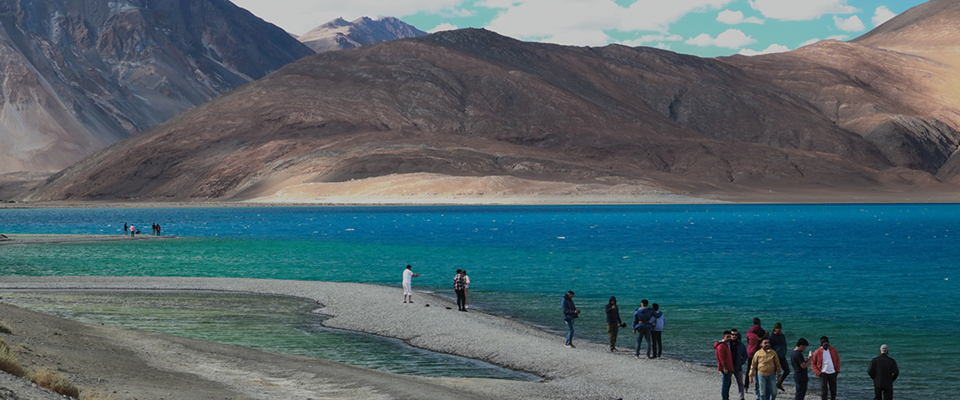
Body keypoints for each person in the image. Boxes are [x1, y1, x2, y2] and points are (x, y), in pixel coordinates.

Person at [769, 322, 790, 391]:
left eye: (779, 328)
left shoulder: (782, 336)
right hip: (775, 358)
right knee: (773, 373)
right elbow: (770, 348)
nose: (778, 329)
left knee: (787, 370)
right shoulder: (771, 337)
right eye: (777, 328)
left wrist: (784, 352)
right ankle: (771, 386)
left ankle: (779, 383)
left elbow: (785, 345)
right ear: (774, 329)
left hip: (782, 356)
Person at [716, 330, 735, 400]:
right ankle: (725, 398)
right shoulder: (721, 346)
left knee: (728, 383)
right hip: (725, 367)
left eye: (730, 337)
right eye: (727, 337)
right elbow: (721, 358)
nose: (729, 338)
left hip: (729, 367)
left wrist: (731, 367)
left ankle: (726, 397)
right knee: (725, 383)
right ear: (723, 337)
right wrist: (724, 368)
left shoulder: (727, 344)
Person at [730, 329, 749, 400]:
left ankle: (742, 398)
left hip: (738, 367)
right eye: (732, 334)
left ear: (738, 336)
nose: (734, 336)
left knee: (740, 383)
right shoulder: (728, 344)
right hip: (729, 367)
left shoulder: (741, 345)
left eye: (735, 335)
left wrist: (741, 362)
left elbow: (745, 355)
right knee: (727, 383)